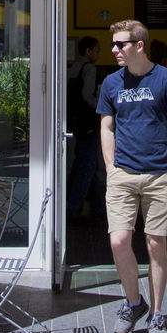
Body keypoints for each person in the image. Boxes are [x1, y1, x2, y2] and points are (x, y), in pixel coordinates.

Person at [97, 19, 167, 333]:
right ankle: (134, 302)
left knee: (155, 243)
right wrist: (111, 168)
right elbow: (106, 127)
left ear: (139, 45)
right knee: (119, 240)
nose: (114, 50)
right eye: (113, 44)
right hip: (123, 173)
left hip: (159, 174)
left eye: (120, 44)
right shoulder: (111, 83)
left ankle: (158, 313)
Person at [66, 36, 103, 220]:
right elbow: (88, 95)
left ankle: (99, 209)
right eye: (96, 50)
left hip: (77, 123)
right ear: (88, 51)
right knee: (87, 166)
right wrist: (103, 106)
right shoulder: (89, 68)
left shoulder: (72, 68)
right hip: (89, 123)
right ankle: (73, 209)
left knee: (86, 164)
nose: (98, 54)